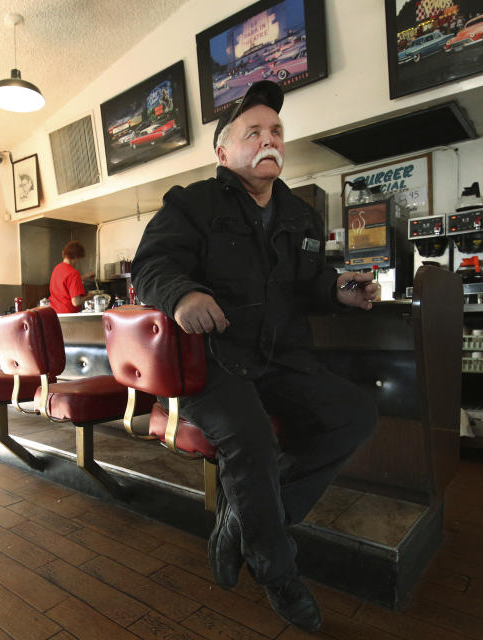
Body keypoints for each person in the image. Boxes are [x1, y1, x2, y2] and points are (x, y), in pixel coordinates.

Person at [131, 81, 378, 632]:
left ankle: (242, 522)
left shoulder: (301, 214)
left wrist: (341, 289)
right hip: (215, 361)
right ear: (223, 152)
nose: (269, 141)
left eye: (277, 133)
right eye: (254, 132)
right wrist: (182, 295)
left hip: (282, 360)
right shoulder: (190, 204)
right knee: (252, 439)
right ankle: (278, 572)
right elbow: (149, 269)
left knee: (356, 414)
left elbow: (313, 282)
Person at [48, 240, 90, 314]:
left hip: (55, 314)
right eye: (79, 258)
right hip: (69, 315)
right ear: (76, 256)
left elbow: (67, 281)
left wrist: (86, 276)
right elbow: (76, 302)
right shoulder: (73, 273)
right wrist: (90, 296)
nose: (78, 261)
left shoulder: (57, 268)